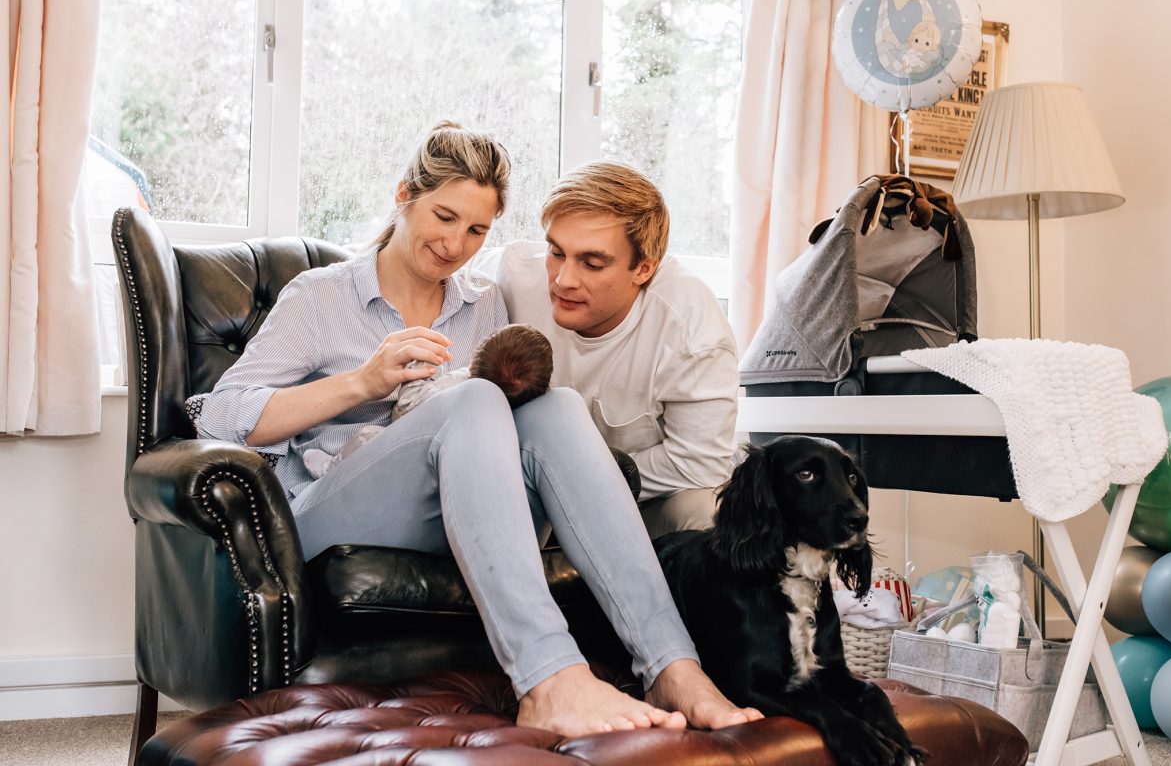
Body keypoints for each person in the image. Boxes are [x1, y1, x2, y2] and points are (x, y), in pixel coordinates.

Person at [194, 122, 760, 738]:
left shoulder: (484, 303)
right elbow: (222, 415)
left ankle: (671, 665)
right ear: (404, 193)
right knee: (473, 400)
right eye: (443, 216)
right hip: (327, 516)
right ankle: (547, 678)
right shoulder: (322, 295)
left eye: (477, 230)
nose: (455, 244)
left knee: (556, 407)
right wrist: (363, 382)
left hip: (450, 518)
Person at [475, 162, 739, 538]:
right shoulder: (512, 275)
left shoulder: (692, 329)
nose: (563, 280)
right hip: (527, 495)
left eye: (592, 263)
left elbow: (700, 465)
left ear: (643, 269)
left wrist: (577, 480)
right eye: (556, 252)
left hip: (640, 506)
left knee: (705, 510)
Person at [302, 323, 554, 479]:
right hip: (447, 470)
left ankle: (332, 469)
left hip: (409, 452)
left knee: (367, 436)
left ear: (479, 351)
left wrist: (418, 368)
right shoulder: (512, 420)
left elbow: (404, 412)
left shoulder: (452, 389)